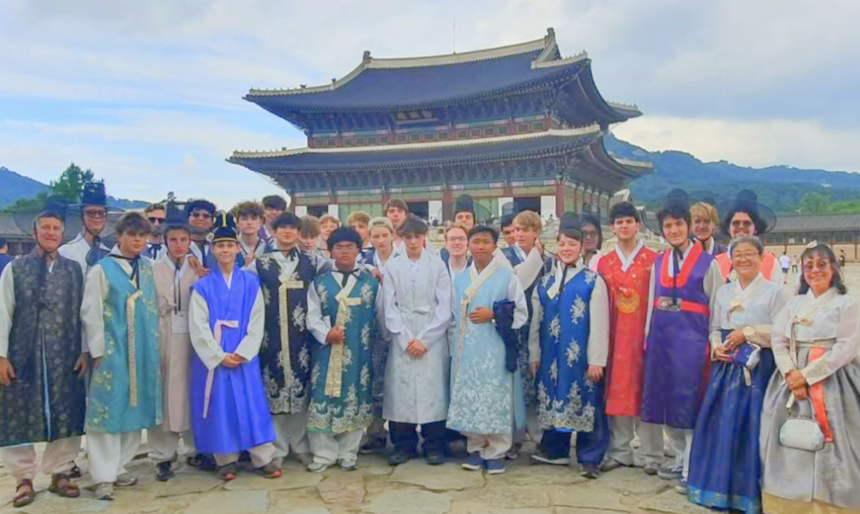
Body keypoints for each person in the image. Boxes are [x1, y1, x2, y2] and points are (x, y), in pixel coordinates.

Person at [687, 237, 789, 513]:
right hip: (726, 368)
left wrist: (748, 333)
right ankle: (717, 489)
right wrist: (716, 346)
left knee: (753, 427)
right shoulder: (723, 292)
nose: (743, 259)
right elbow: (714, 327)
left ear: (761, 257)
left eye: (750, 254)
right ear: (731, 259)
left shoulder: (776, 293)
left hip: (759, 370)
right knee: (720, 425)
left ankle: (749, 494)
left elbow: (783, 332)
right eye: (738, 255)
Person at [760, 242, 860, 514]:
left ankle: (832, 504)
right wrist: (790, 373)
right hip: (791, 379)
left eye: (821, 264)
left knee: (837, 443)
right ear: (802, 271)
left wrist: (807, 375)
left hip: (833, 380)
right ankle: (788, 502)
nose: (815, 270)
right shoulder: (793, 304)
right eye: (809, 266)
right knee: (789, 438)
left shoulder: (846, 304)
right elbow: (778, 340)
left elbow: (845, 348)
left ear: (833, 268)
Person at [0, 199, 87, 508]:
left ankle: (61, 471)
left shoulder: (74, 270)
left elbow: (84, 313)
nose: (51, 232)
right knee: (17, 412)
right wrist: (1, 356)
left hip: (65, 351)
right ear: (35, 232)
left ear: (63, 233)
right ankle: (23, 478)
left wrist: (85, 350)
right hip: (22, 352)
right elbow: (3, 312)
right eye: (45, 227)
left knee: (67, 408)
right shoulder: (15, 268)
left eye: (56, 228)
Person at [188, 212, 280, 481]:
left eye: (230, 245)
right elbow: (198, 325)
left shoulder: (250, 282)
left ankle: (263, 457)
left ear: (238, 249)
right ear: (213, 250)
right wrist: (218, 355)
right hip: (216, 353)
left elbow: (257, 319)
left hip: (243, 354)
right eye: (220, 246)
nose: (225, 250)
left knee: (251, 403)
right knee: (221, 405)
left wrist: (243, 352)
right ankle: (225, 459)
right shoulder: (203, 286)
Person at [640, 189, 722, 493]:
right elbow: (652, 302)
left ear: (688, 226)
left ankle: (692, 465)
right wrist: (647, 338)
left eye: (678, 224)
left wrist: (714, 342)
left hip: (693, 342)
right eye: (668, 226)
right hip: (662, 340)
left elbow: (717, 306)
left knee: (689, 401)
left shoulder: (709, 263)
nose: (673, 230)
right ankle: (677, 456)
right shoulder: (659, 263)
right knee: (665, 400)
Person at [81, 212, 162, 500]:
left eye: (142, 235)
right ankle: (102, 476)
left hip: (143, 350)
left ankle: (118, 466)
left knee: (134, 407)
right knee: (108, 408)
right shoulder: (102, 269)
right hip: (113, 350)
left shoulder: (148, 268)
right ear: (120, 237)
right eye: (132, 235)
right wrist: (97, 350)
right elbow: (90, 311)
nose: (137, 240)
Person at [528, 213, 610, 478]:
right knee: (553, 398)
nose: (566, 248)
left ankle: (590, 457)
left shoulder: (592, 281)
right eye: (562, 243)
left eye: (572, 244)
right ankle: (556, 450)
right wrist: (534, 355)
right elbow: (535, 325)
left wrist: (597, 359)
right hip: (550, 358)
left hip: (580, 358)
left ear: (582, 248)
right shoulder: (544, 284)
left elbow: (600, 324)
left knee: (585, 401)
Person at [448, 226, 528, 475]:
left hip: (496, 346)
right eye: (476, 241)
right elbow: (453, 316)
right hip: (467, 349)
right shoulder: (460, 279)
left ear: (495, 246)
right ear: (469, 245)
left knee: (495, 396)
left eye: (486, 242)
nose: (480, 246)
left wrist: (494, 314)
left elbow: (521, 312)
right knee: (471, 395)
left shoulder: (507, 277)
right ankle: (475, 447)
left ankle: (496, 450)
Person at [305, 227, 383, 472]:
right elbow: (312, 316)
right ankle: (323, 454)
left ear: (359, 250)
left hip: (360, 353)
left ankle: (349, 453)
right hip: (327, 352)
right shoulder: (319, 284)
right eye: (339, 247)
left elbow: (381, 316)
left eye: (350, 246)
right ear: (331, 251)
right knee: (322, 395)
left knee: (356, 395)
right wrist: (325, 334)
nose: (345, 251)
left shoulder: (371, 283)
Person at [597, 202, 663, 475]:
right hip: (614, 337)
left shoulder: (654, 260)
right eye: (619, 222)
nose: (624, 226)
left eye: (628, 221)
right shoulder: (603, 262)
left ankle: (651, 454)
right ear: (612, 227)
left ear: (637, 225)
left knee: (647, 392)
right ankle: (620, 450)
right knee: (617, 390)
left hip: (644, 336)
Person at [382, 216, 452, 466]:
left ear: (425, 237)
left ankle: (434, 444)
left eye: (417, 236)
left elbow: (445, 305)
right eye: (408, 237)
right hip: (403, 331)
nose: (413, 242)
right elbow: (388, 306)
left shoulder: (437, 265)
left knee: (433, 390)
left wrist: (426, 340)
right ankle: (403, 445)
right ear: (401, 238)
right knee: (401, 391)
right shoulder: (393, 266)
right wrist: (403, 338)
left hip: (431, 334)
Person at [252, 212, 315, 468]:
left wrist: (374, 271)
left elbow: (341, 268)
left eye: (293, 228)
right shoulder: (259, 263)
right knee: (273, 390)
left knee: (302, 392)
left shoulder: (312, 261)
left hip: (303, 338)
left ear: (299, 233)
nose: (288, 232)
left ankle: (301, 446)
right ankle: (277, 449)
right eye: (283, 228)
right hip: (271, 337)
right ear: (274, 231)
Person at [149, 202, 199, 481]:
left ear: (190, 241)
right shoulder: (153, 269)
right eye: (173, 240)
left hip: (191, 336)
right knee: (165, 393)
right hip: (164, 334)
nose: (179, 245)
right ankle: (163, 455)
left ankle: (194, 448)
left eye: (183, 239)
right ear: (165, 241)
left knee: (192, 390)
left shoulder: (197, 267)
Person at [501, 210, 553, 459]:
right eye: (516, 229)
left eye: (525, 229)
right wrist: (534, 259)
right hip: (513, 328)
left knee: (537, 384)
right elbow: (512, 283)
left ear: (536, 232)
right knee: (514, 386)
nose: (519, 234)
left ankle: (540, 436)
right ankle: (514, 437)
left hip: (540, 326)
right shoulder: (504, 256)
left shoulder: (550, 261)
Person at [357, 217, 398, 455]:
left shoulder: (404, 259)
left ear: (392, 235)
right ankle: (376, 433)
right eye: (376, 236)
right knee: (375, 382)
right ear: (370, 238)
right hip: (371, 330)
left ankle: (401, 433)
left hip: (401, 328)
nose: (381, 240)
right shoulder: (363, 263)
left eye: (384, 235)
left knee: (399, 381)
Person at [715, 190, 782, 284]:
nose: (741, 227)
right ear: (728, 228)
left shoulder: (771, 262)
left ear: (755, 228)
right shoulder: (716, 263)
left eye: (747, 223)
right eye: (736, 223)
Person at [59, 181, 112, 283]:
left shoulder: (110, 254)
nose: (96, 217)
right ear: (81, 215)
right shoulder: (65, 252)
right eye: (91, 212)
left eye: (101, 213)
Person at [234, 201, 269, 268]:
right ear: (237, 222)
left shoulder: (268, 248)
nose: (249, 223)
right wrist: (246, 267)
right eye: (244, 219)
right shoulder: (230, 247)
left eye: (254, 219)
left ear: (261, 222)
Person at [185, 199, 218, 270]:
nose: (200, 218)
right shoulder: (177, 245)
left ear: (212, 222)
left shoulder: (219, 246)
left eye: (206, 216)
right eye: (195, 215)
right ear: (187, 219)